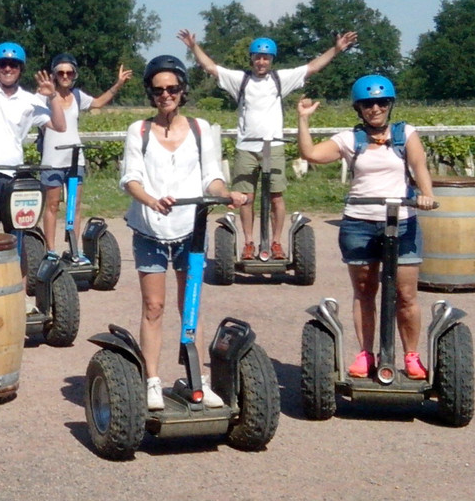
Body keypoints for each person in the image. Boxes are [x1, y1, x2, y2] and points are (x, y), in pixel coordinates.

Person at [120, 55, 248, 410]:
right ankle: (152, 382)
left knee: (190, 306)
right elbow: (130, 178)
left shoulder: (201, 129)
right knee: (154, 306)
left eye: (172, 88)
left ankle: (198, 380)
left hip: (190, 230)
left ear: (182, 90)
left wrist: (226, 194)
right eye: (159, 90)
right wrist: (150, 200)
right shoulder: (139, 131)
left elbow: (212, 177)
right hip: (150, 230)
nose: (166, 95)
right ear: (151, 93)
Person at [296, 75, 435, 379]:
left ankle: (411, 355)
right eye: (368, 103)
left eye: (381, 102)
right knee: (364, 291)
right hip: (359, 222)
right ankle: (366, 354)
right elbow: (311, 155)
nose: (375, 108)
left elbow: (418, 166)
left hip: (402, 222)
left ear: (390, 105)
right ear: (358, 108)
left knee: (406, 294)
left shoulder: (405, 133)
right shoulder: (350, 139)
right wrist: (303, 120)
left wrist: (426, 195)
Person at [178, 29, 358, 260]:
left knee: (276, 196)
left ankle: (275, 243)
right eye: (257, 57)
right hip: (247, 147)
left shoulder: (279, 79)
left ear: (271, 60)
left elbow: (312, 67)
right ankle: (249, 243)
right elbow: (211, 68)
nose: (261, 61)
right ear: (252, 58)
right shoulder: (241, 80)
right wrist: (193, 47)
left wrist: (336, 48)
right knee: (246, 197)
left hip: (273, 147)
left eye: (266, 58)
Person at [0, 0, 65, 232]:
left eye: (14, 65)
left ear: (21, 69)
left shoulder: (30, 100)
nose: (8, 69)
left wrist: (53, 97)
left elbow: (59, 126)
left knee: (16, 239)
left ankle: (20, 271)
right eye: (2, 64)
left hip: (14, 177)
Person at [39, 53, 132, 259]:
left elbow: (98, 103)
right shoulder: (43, 97)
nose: (65, 76)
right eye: (61, 72)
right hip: (52, 160)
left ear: (74, 75)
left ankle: (74, 248)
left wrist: (118, 84)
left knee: (75, 204)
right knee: (52, 205)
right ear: (54, 74)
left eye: (69, 72)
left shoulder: (78, 96)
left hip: (75, 158)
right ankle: (50, 250)